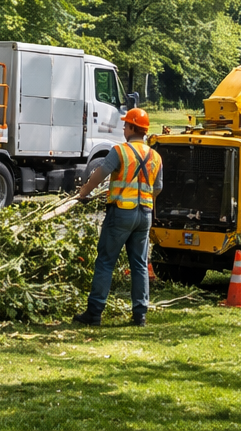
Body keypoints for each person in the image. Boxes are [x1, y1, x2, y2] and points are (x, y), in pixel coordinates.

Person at [71, 107, 163, 328]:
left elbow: (100, 173)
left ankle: (94, 313)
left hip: (121, 212)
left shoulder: (120, 151)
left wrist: (84, 192)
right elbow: (157, 188)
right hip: (144, 215)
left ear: (132, 127)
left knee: (105, 262)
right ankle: (140, 315)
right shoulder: (155, 156)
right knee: (140, 264)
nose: (123, 128)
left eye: (125, 124)